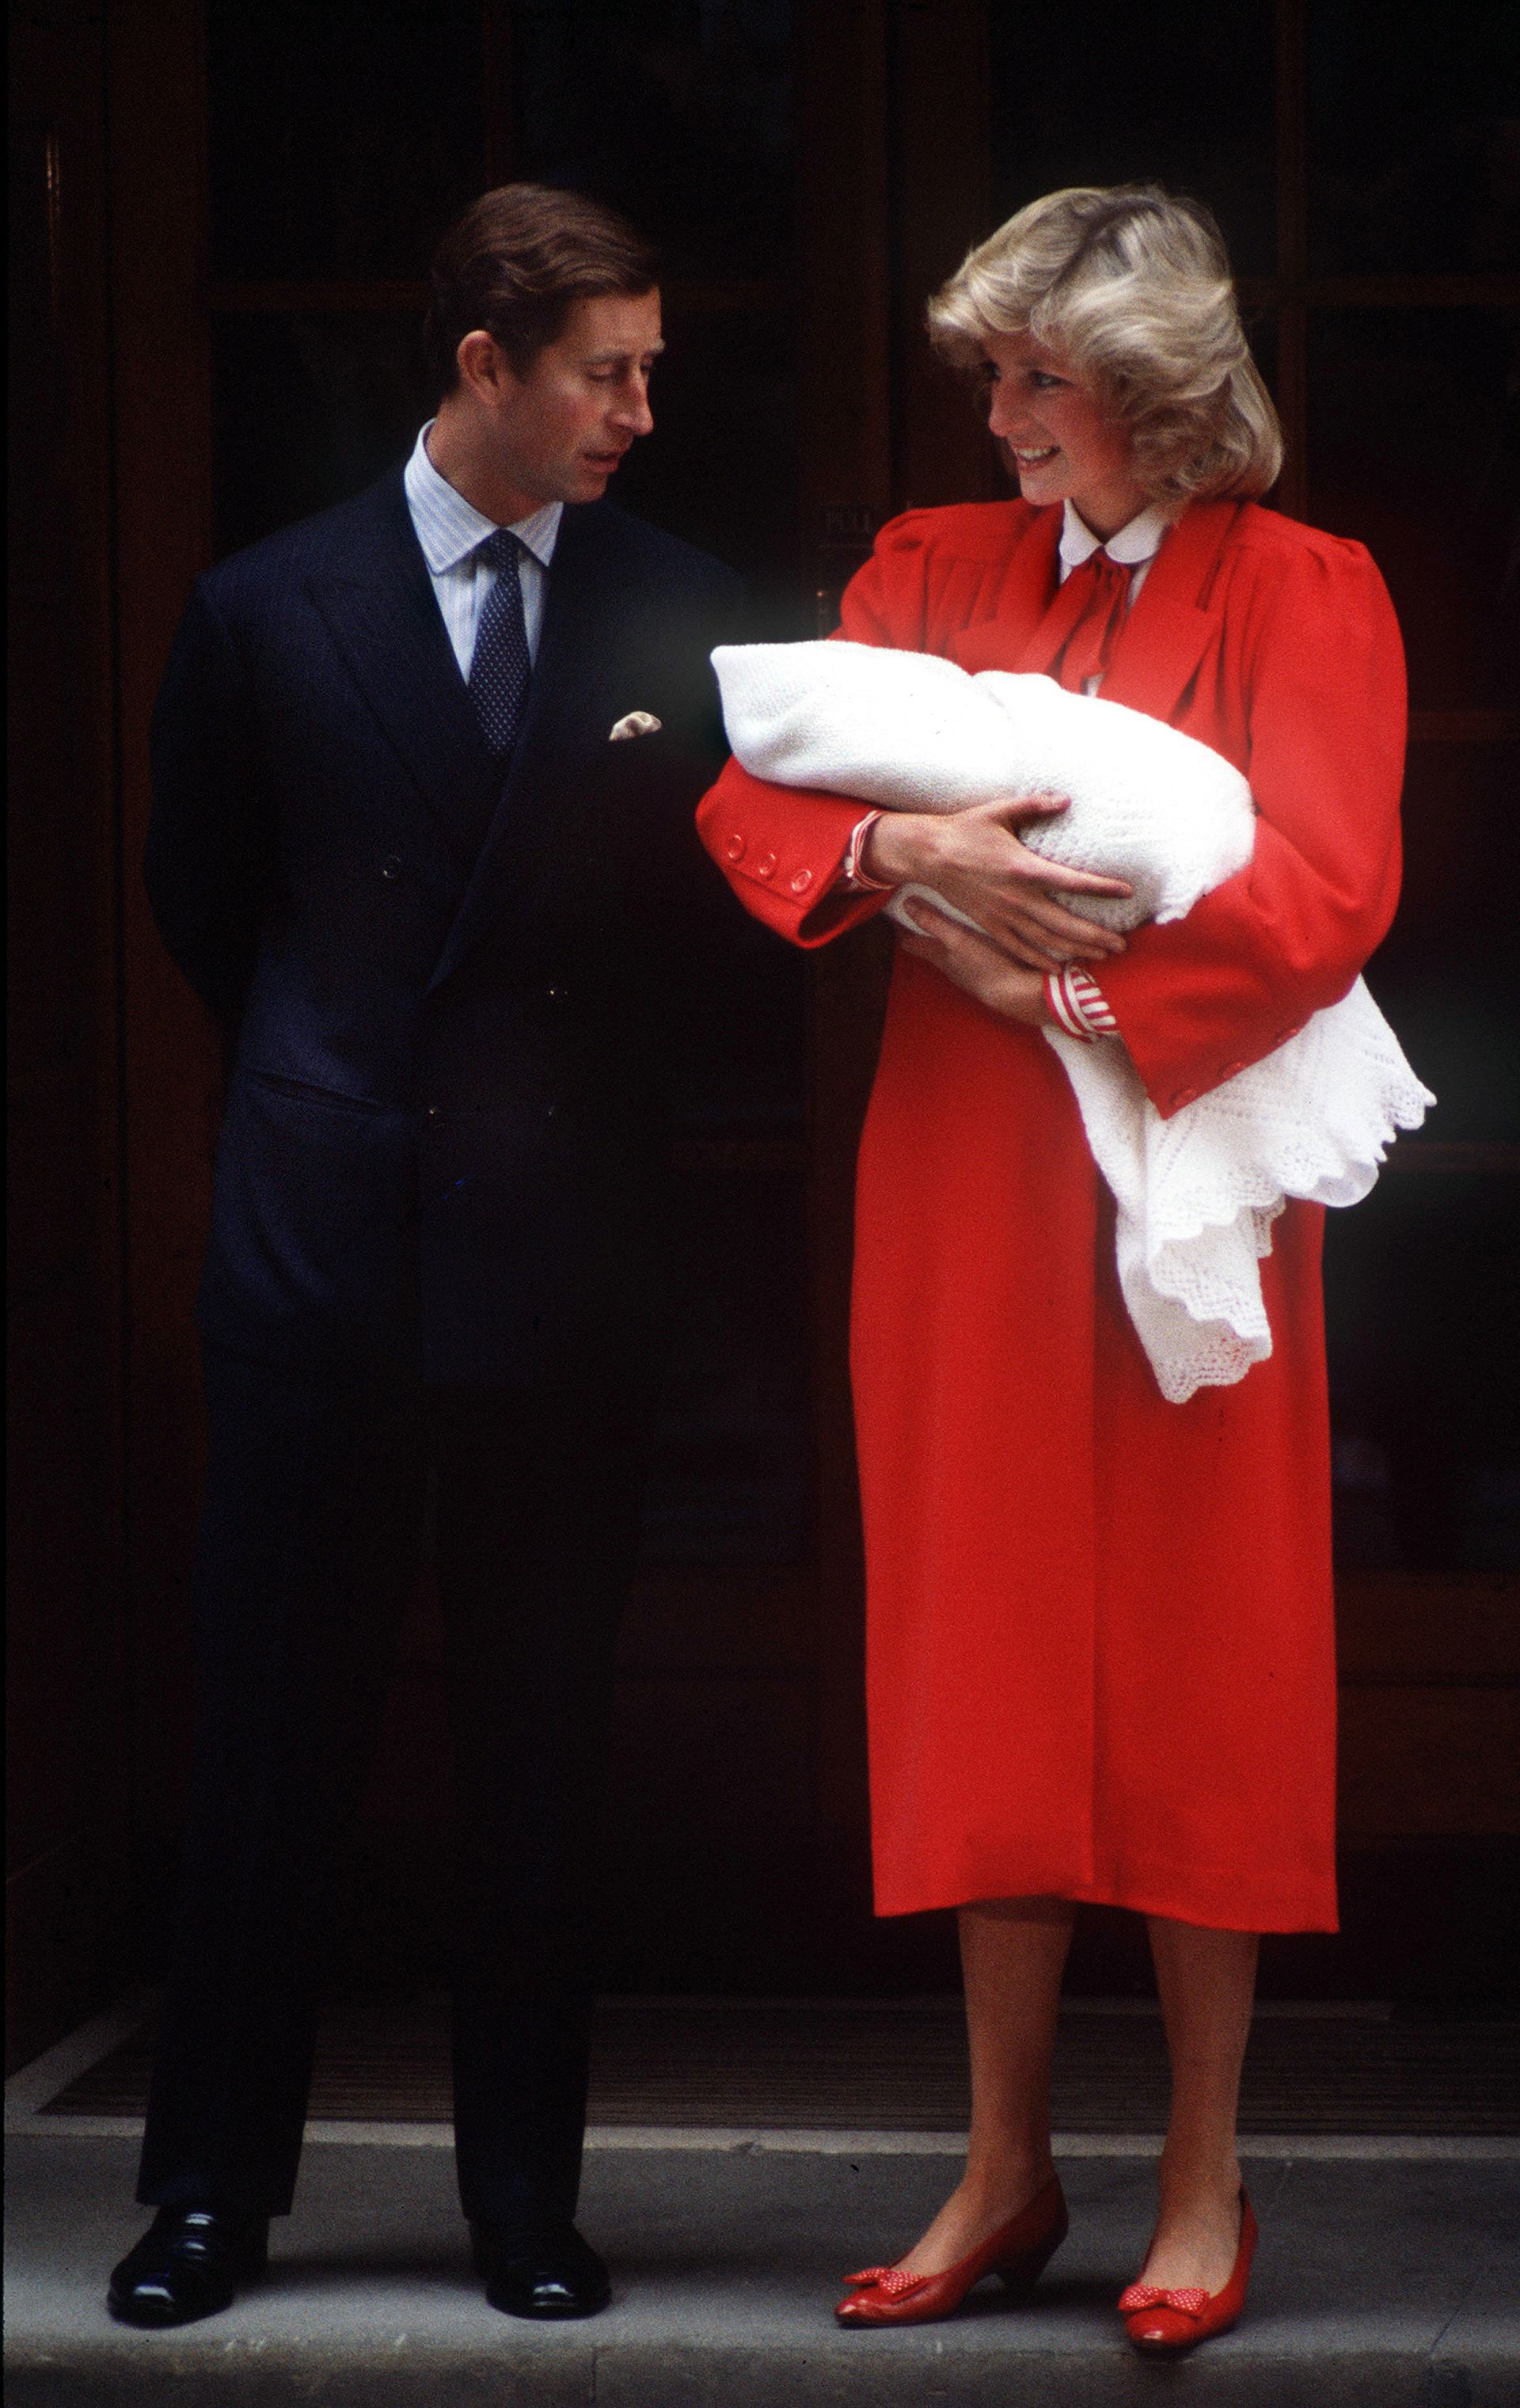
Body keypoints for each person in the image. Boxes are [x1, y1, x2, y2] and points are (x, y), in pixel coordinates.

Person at [697, 183, 1406, 2353]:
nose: (1000, 419)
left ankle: (1204, 2171)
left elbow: (1329, 890)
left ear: (1160, 401)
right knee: (985, 1640)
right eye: (992, 378)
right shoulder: (927, 566)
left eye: (1039, 383)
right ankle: (1007, 2160)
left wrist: (1081, 1005)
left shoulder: (1311, 587)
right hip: (960, 1193)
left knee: (1206, 1652)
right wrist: (894, 849)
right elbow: (752, 795)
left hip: (1190, 1180)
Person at [110, 182, 742, 2329]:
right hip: (322, 1251)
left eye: (651, 362)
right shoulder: (268, 607)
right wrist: (342, 1093)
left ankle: (523, 2204)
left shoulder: (683, 610)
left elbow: (714, 938)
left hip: (564, 1254)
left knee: (543, 1744)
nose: (646, 407)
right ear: (485, 365)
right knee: (267, 1740)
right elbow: (211, 902)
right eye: (609, 367)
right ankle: (205, 2193)